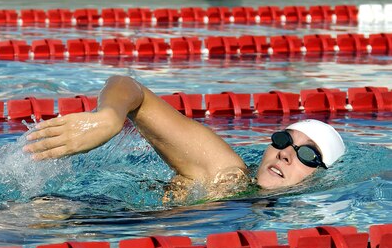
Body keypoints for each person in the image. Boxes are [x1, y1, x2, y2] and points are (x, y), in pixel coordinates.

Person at [23, 75, 345, 202]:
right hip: (75, 215)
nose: (286, 154)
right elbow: (131, 89)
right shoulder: (226, 172)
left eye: (307, 155)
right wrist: (109, 118)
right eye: (282, 140)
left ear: (325, 176)